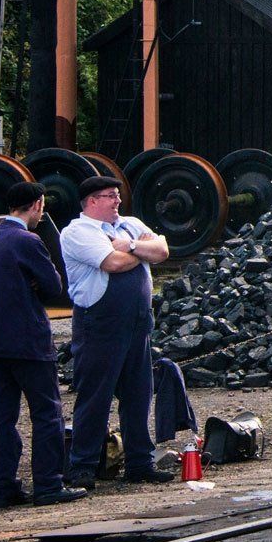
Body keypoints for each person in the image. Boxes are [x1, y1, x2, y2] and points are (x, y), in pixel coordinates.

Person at [0, 182, 87, 507]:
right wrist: (35, 281)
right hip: (28, 340)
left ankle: (3, 487)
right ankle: (48, 484)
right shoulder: (28, 241)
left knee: (3, 416)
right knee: (47, 413)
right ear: (37, 204)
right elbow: (53, 285)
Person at [60, 176, 174, 489]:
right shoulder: (77, 232)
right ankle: (82, 466)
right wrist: (140, 252)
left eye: (117, 195)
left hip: (138, 322)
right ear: (92, 201)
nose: (117, 201)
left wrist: (133, 245)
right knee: (95, 396)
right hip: (100, 323)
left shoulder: (129, 225)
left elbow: (163, 249)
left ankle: (140, 462)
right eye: (110, 196)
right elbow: (112, 263)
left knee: (138, 394)